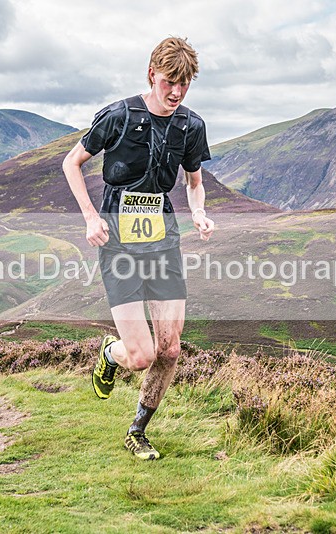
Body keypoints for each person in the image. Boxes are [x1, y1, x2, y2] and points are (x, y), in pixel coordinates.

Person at [63, 36, 214, 460]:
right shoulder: (118, 116)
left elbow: (194, 182)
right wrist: (91, 217)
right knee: (142, 355)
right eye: (169, 81)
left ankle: (138, 430)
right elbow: (71, 163)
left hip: (163, 241)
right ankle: (111, 355)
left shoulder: (191, 126)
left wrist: (198, 213)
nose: (176, 92)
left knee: (171, 348)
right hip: (119, 245)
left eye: (184, 84)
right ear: (152, 74)